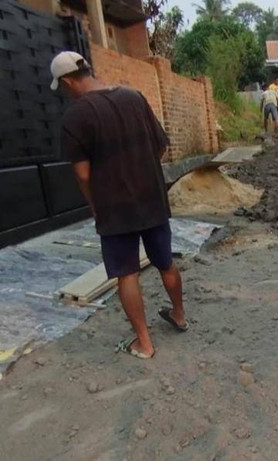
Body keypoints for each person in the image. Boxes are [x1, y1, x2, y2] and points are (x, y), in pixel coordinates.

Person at [51, 51, 188, 359]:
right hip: (151, 200)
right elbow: (161, 147)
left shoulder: (75, 118)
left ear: (68, 81)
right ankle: (179, 314)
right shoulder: (134, 97)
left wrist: (94, 203)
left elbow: (83, 173)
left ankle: (144, 343)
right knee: (165, 262)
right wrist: (143, 175)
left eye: (62, 86)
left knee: (127, 275)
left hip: (114, 209)